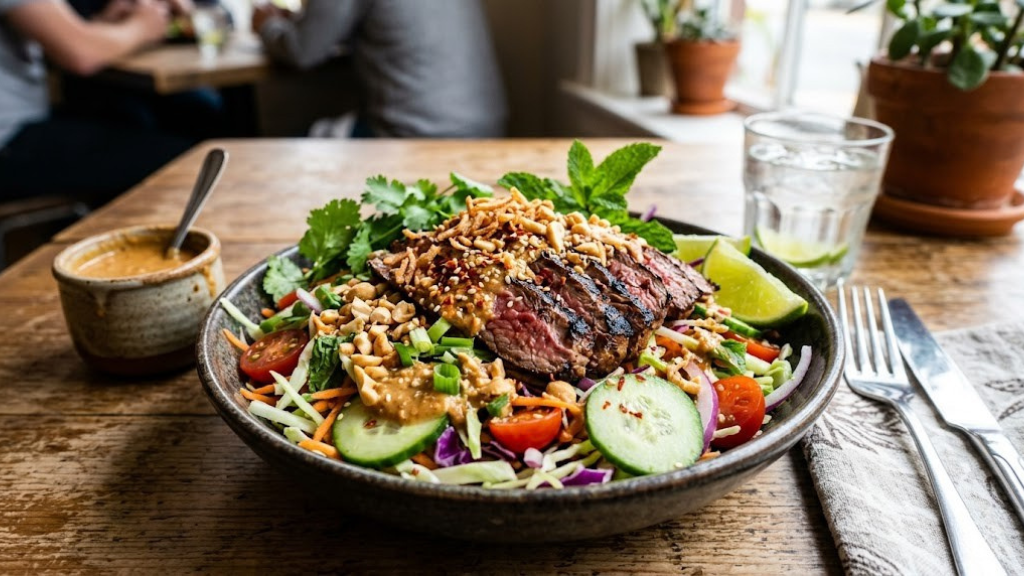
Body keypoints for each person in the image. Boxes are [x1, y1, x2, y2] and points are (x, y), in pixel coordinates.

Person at [0, 0, 196, 204]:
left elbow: (62, 38)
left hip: (22, 129)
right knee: (187, 159)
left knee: (147, 116)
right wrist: (142, 27)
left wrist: (107, 25)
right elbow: (80, 54)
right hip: (9, 141)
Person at [252, 0, 508, 138]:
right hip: (486, 125)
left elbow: (302, 51)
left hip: (416, 132)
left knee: (292, 146)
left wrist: (267, 24)